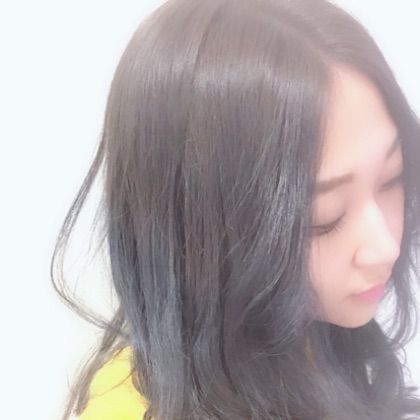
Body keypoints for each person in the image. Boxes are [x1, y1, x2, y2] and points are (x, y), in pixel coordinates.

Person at [52, 0, 420, 418]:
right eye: (325, 216)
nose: (385, 247)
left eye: (392, 178)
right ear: (199, 231)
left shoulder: (312, 336)